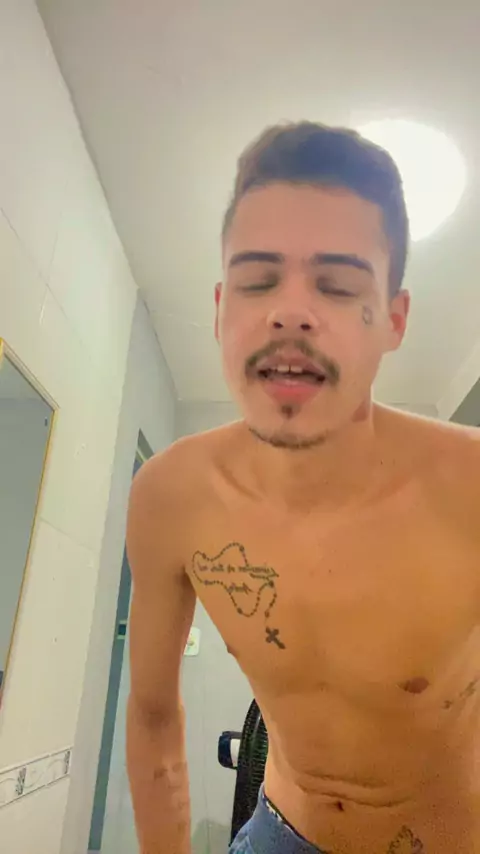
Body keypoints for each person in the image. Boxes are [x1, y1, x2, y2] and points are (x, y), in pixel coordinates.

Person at [126, 121, 480, 854]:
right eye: (258, 281)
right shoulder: (171, 498)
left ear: (393, 320)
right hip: (281, 832)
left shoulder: (468, 486)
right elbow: (153, 716)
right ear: (221, 309)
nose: (290, 311)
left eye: (338, 285)